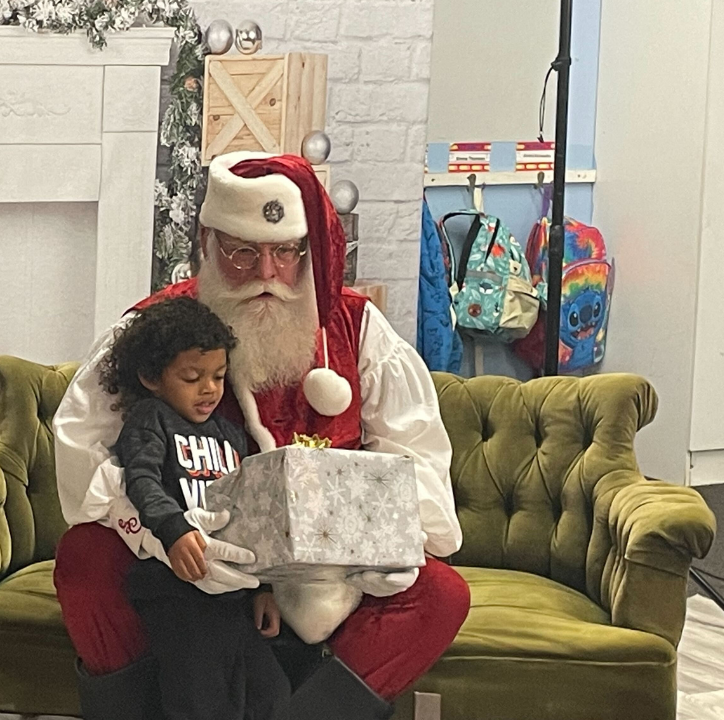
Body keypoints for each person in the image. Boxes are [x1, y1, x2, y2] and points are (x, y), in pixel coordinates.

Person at [53, 151, 471, 720]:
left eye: (285, 252)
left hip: (329, 573)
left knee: (441, 596)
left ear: (309, 249)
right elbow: (82, 446)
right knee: (84, 559)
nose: (267, 275)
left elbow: (415, 449)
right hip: (190, 558)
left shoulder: (358, 330)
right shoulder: (154, 327)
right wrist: (160, 537)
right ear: (208, 242)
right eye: (243, 252)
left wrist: (392, 541)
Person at [100, 296, 290, 720]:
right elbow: (142, 479)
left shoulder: (231, 435)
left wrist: (262, 589)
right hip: (176, 593)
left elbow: (247, 514)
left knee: (270, 693)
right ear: (152, 377)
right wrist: (172, 529)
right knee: (198, 701)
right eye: (192, 377)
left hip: (232, 596)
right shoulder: (151, 419)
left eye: (219, 377)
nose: (209, 389)